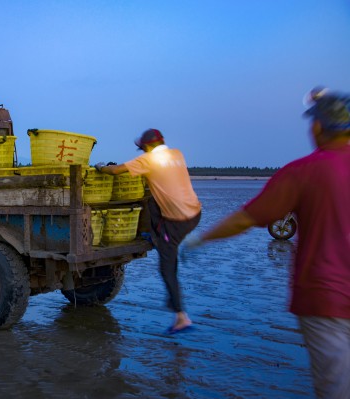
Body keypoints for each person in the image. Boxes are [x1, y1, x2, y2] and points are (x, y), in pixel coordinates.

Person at [185, 88, 350, 399]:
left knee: (337, 389)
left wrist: (201, 238)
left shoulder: (304, 171)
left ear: (317, 126)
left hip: (325, 300)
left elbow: (246, 218)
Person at [95, 128, 202, 333]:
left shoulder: (148, 160)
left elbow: (116, 171)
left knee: (167, 269)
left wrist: (101, 167)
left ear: (145, 147)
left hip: (177, 222)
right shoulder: (177, 154)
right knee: (152, 200)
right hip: (196, 214)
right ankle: (165, 239)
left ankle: (181, 316)